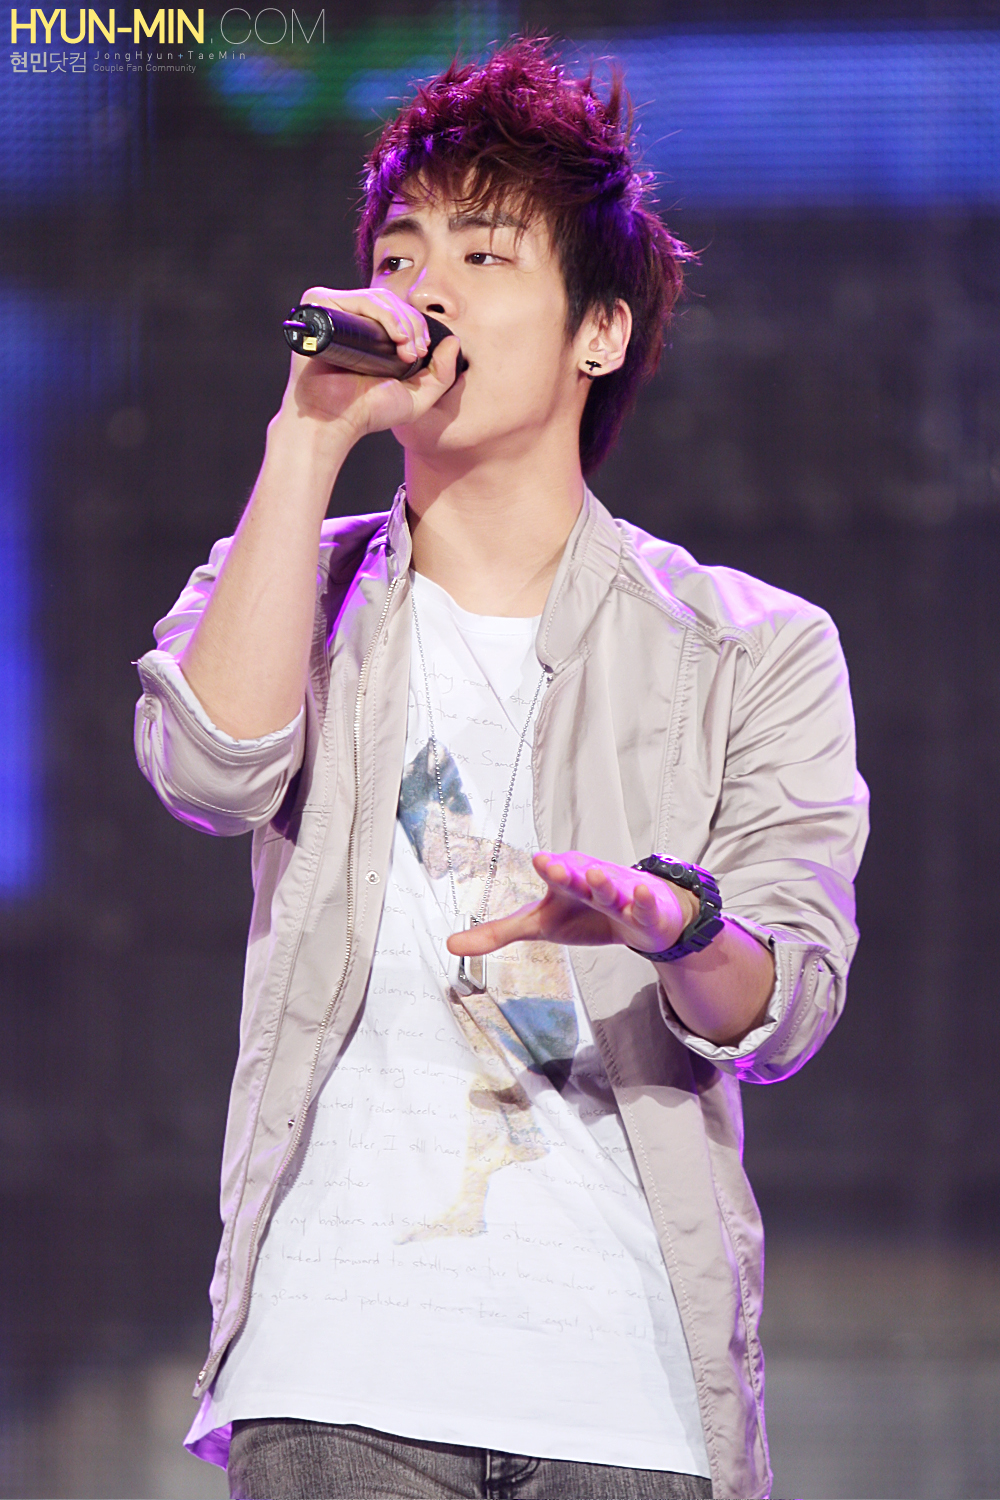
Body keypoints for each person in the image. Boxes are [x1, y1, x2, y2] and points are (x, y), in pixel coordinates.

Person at [135, 38, 868, 1500]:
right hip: (336, 1372)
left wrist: (676, 925)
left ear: (600, 330)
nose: (428, 291)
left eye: (483, 254)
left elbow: (784, 1002)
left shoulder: (753, 647)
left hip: (626, 1400)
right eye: (400, 255)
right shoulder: (286, 577)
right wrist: (307, 436)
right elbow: (211, 772)